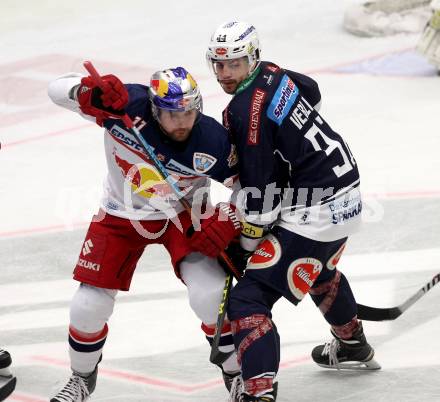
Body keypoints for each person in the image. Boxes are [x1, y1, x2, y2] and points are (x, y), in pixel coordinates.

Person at [195, 21, 382, 401]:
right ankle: (351, 343)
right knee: (318, 268)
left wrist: (244, 248)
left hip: (316, 211)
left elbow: (262, 198)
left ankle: (259, 392)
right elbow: (310, 92)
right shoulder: (272, 71)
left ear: (253, 56)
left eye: (234, 63)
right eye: (218, 64)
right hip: (346, 192)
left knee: (248, 298)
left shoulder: (245, 112)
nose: (224, 73)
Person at [47, 66, 244, 401]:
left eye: (189, 112)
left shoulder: (212, 139)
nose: (182, 122)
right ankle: (81, 378)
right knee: (87, 305)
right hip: (120, 212)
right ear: (154, 110)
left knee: (209, 298)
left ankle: (237, 374)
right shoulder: (123, 104)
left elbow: (247, 186)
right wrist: (88, 94)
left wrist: (229, 216)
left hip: (184, 216)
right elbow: (55, 88)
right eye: (171, 114)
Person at [417, 0, 440, 73]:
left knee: (436, 45)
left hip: (436, 24)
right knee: (435, 45)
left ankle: (437, 63)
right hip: (436, 25)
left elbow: (433, 6)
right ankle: (437, 63)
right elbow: (434, 6)